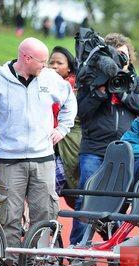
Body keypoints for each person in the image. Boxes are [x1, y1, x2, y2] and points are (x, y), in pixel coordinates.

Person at [0, 37, 77, 266]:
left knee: (45, 213)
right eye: (43, 62)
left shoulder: (50, 80)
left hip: (43, 158)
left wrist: (62, 128)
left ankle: (38, 265)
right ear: (26, 59)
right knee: (8, 217)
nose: (48, 66)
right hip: (9, 160)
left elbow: (69, 102)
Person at [71, 32, 139, 245]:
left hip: (128, 148)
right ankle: (78, 246)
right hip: (95, 149)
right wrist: (100, 92)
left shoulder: (136, 81)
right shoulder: (91, 80)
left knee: (134, 193)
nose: (120, 60)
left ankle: (118, 240)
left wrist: (124, 95)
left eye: (124, 55)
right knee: (86, 194)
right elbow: (81, 113)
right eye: (116, 55)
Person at [48, 46, 81, 207]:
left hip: (68, 149)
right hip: (48, 147)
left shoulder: (76, 89)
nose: (54, 66)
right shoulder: (42, 86)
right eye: (51, 63)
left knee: (75, 200)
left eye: (59, 63)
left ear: (69, 67)